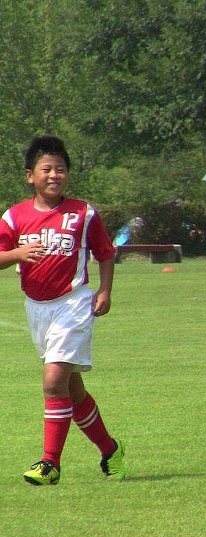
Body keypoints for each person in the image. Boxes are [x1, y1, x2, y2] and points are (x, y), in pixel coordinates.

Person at [0, 135, 126, 485]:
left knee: (53, 382)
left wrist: (104, 290)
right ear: (30, 176)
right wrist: (16, 254)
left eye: (60, 169)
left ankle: (50, 463)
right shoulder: (14, 217)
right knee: (73, 391)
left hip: (73, 304)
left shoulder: (83, 213)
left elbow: (106, 253)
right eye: (47, 169)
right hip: (37, 309)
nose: (54, 175)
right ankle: (111, 450)